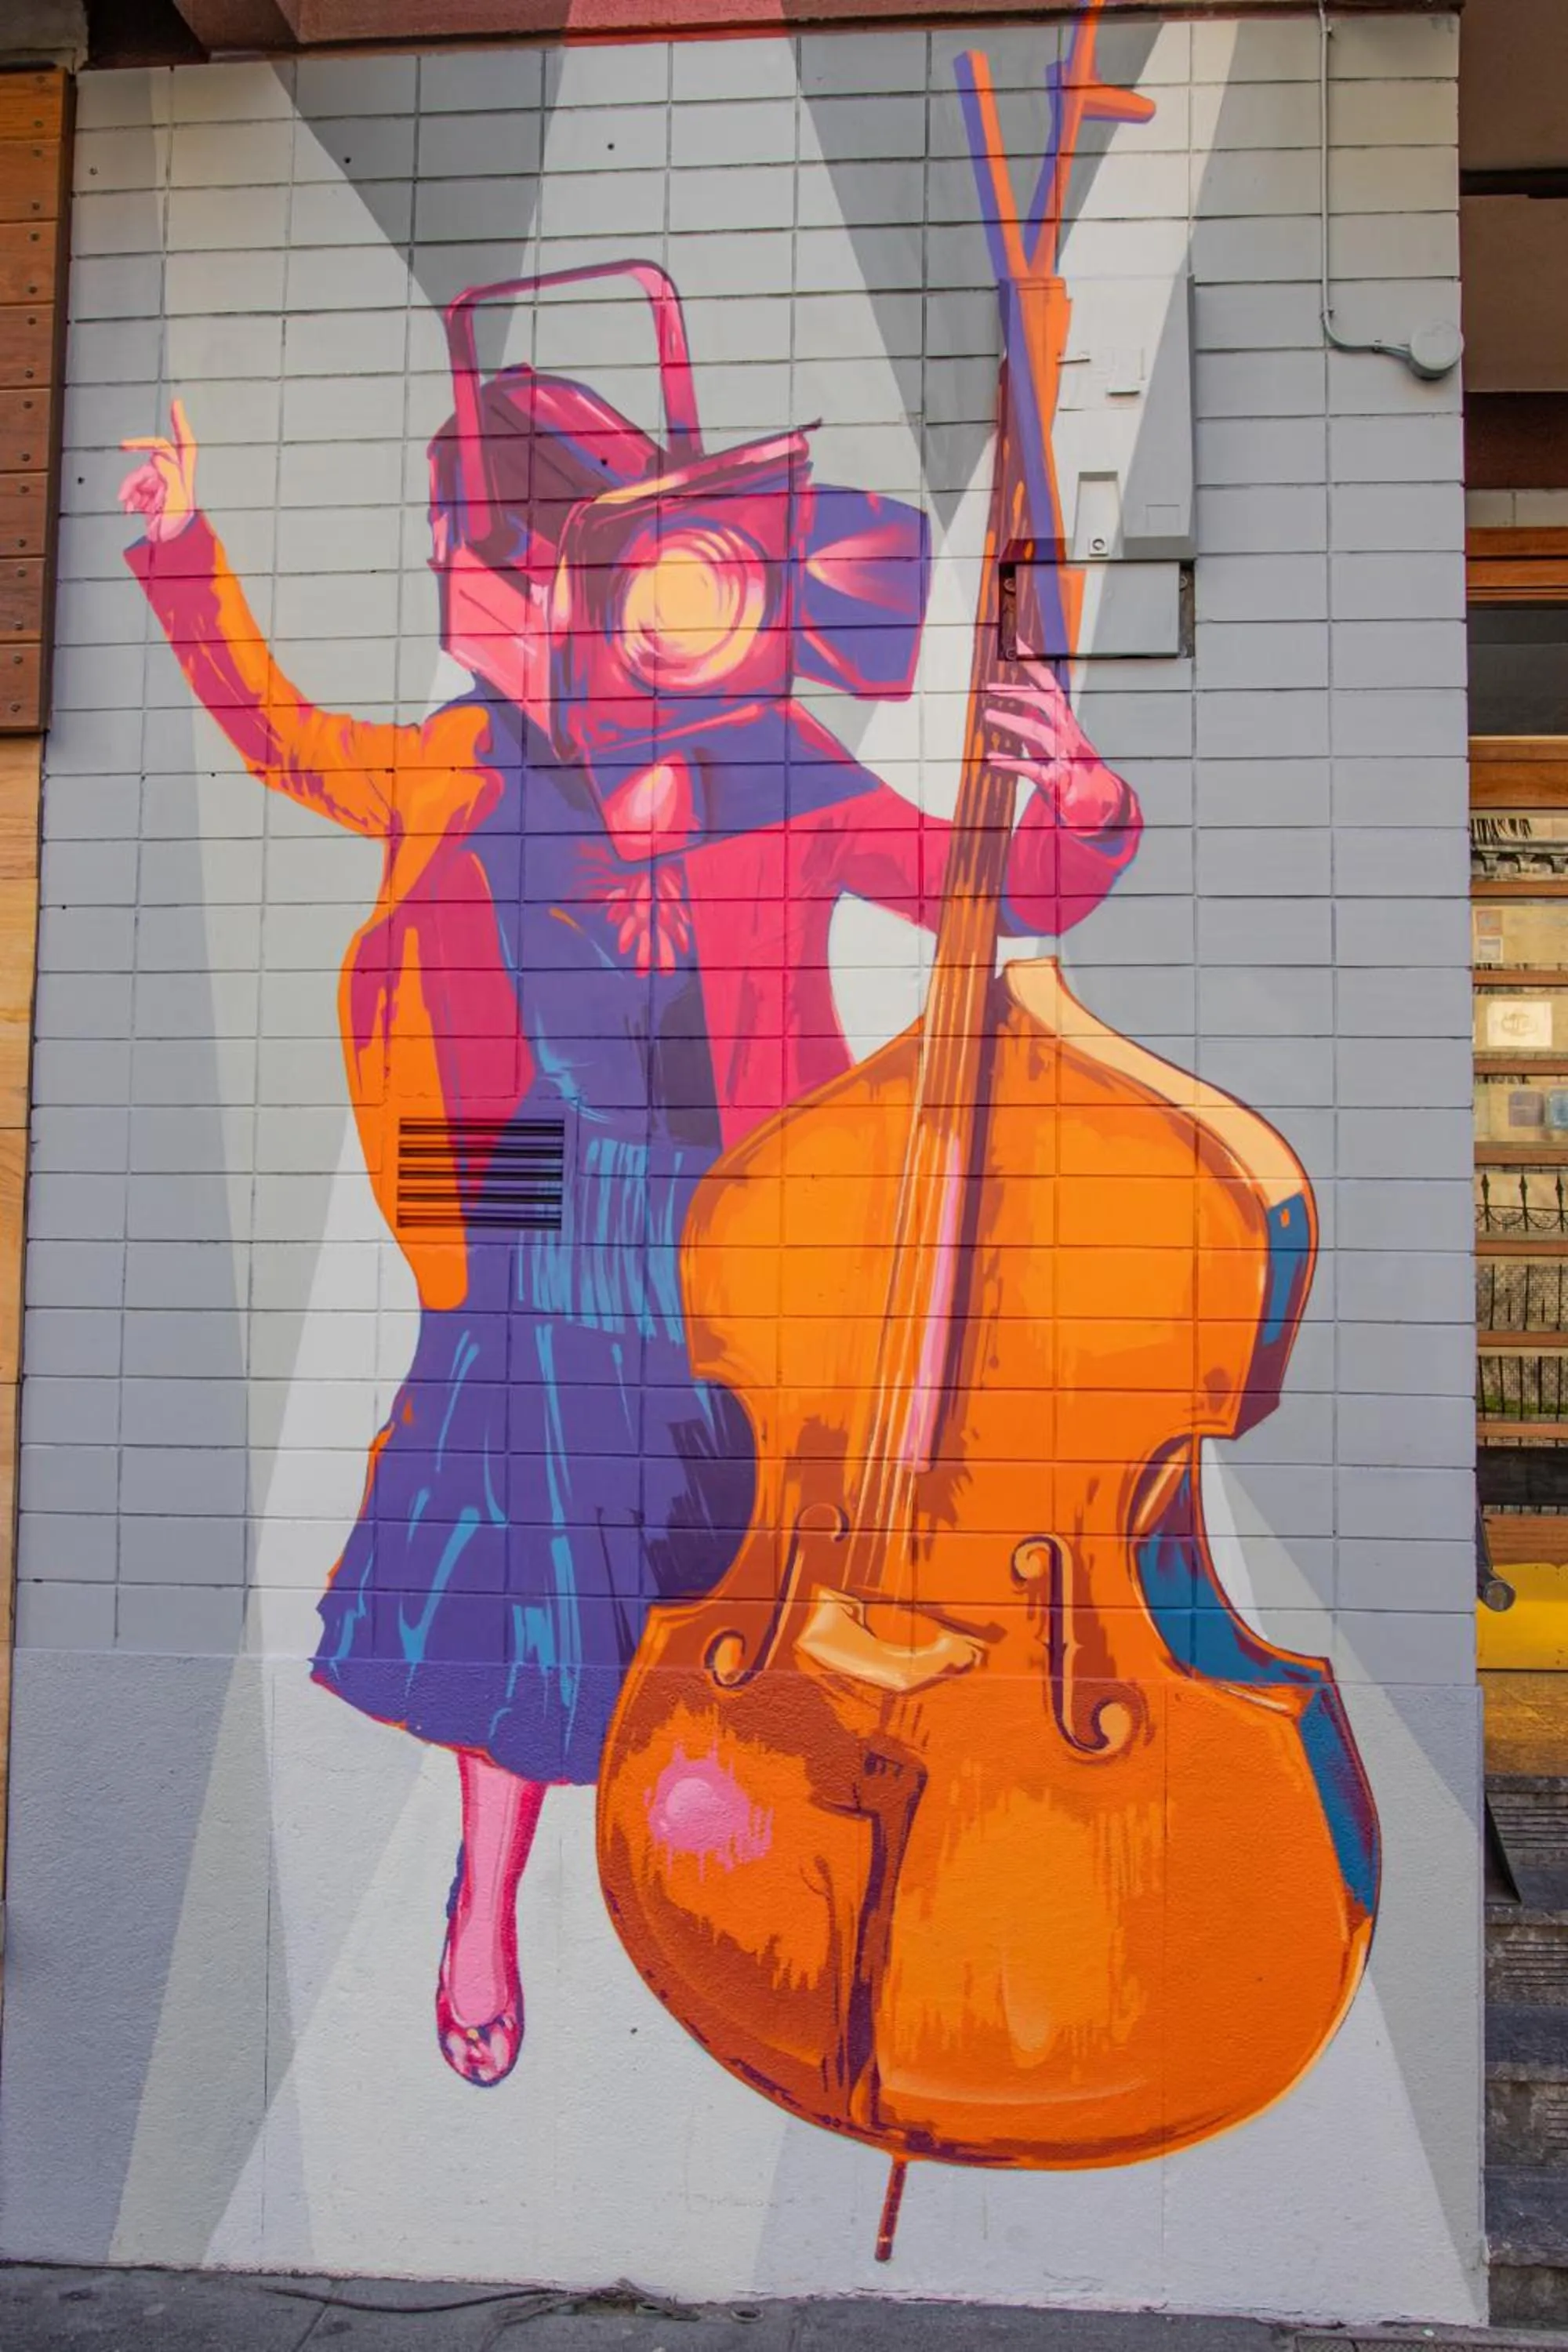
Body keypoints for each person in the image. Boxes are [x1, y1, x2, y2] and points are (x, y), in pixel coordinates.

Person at [119, 373, 1141, 2090]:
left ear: (565, 579)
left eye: (475, 561)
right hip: (521, 1196)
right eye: (461, 563)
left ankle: (716, 1872)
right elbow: (295, 744)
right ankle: (486, 1902)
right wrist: (181, 552)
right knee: (512, 1552)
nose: (461, 599)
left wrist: (1079, 791)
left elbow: (1008, 895)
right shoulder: (464, 761)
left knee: (739, 1557)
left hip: (739, 1216)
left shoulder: (783, 768)